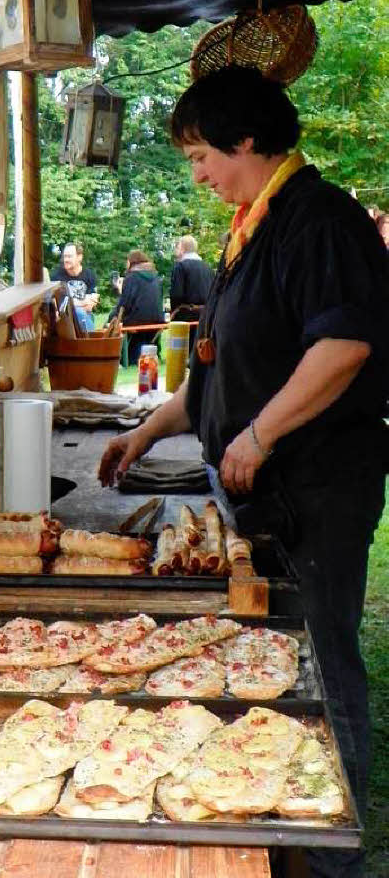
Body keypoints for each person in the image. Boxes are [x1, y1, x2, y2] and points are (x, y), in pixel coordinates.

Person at [99, 65, 389, 878]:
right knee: (276, 665)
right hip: (265, 490)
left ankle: (333, 856)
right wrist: (149, 428)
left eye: (201, 156)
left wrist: (257, 437)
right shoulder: (252, 228)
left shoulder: (317, 222)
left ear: (247, 139)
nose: (197, 175)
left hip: (318, 488)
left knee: (323, 662)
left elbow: (341, 349)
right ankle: (278, 824)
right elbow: (224, 369)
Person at [109, 249, 164, 363]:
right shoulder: (155, 276)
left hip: (137, 320)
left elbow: (125, 304)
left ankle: (115, 355)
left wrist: (121, 290)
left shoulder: (132, 277)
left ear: (131, 262)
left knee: (111, 319)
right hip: (157, 319)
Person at [169, 234, 214, 352]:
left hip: (187, 313)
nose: (176, 250)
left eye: (177, 247)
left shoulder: (180, 266)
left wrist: (173, 312)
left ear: (183, 248)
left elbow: (177, 294)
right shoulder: (207, 267)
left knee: (180, 346)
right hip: (206, 313)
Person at [50, 241, 98, 333]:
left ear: (79, 257)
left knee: (80, 312)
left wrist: (70, 304)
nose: (66, 260)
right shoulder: (56, 277)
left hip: (85, 316)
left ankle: (90, 341)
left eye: (69, 256)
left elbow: (91, 305)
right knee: (78, 311)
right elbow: (57, 305)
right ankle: (92, 343)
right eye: (64, 256)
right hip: (63, 319)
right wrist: (82, 302)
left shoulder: (89, 275)